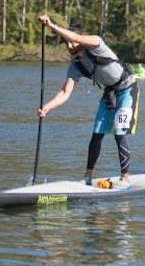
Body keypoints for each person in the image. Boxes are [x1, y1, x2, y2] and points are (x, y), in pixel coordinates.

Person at [36, 14, 138, 188]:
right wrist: (47, 107)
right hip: (110, 93)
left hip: (127, 89)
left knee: (119, 132)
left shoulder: (95, 42)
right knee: (97, 133)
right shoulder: (76, 66)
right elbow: (64, 92)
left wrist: (52, 25)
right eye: (65, 43)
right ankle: (88, 176)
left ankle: (125, 177)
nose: (69, 45)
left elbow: (75, 36)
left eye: (70, 41)